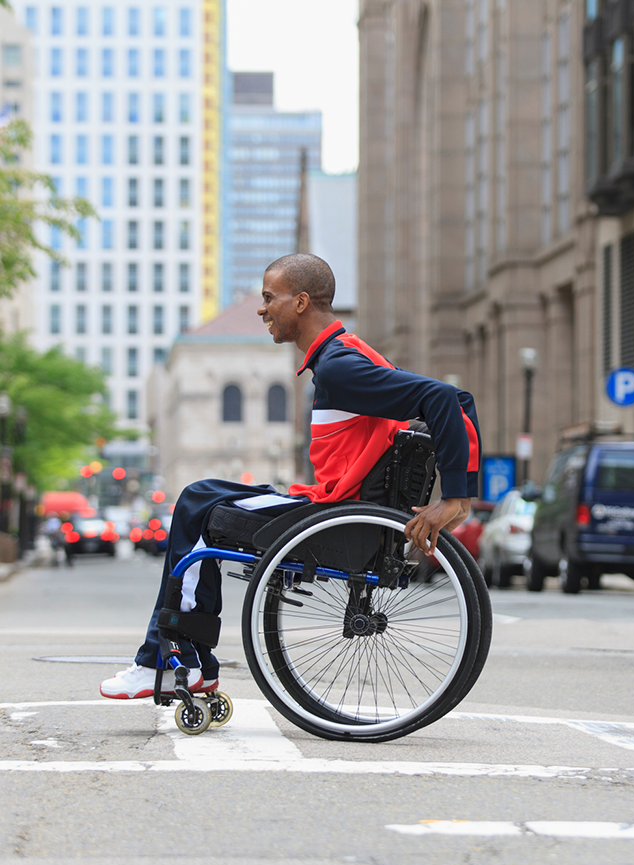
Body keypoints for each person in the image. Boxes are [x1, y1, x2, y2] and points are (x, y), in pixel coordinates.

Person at [101, 253, 482, 700]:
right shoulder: (345, 355)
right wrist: (464, 492)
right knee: (203, 496)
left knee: (194, 504)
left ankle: (166, 660)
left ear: (301, 302)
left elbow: (443, 397)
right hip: (341, 507)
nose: (262, 309)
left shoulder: (340, 366)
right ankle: (188, 659)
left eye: (269, 298)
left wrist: (456, 496)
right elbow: (459, 399)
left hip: (337, 513)